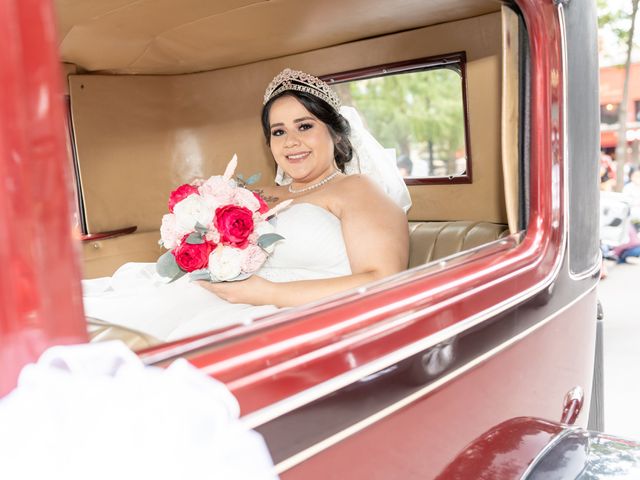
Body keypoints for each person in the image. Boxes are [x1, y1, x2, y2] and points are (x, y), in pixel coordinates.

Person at [82, 68, 411, 343]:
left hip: (291, 312)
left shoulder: (358, 190)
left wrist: (266, 293)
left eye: (305, 126)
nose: (291, 141)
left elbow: (382, 280)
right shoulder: (257, 195)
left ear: (337, 135)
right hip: (221, 295)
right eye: (278, 131)